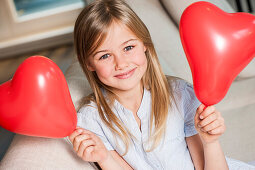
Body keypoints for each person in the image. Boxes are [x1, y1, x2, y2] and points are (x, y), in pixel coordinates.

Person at [68, 0, 255, 169]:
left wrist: (210, 143)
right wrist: (104, 158)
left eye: (128, 48)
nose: (121, 64)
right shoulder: (92, 120)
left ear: (145, 44)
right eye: (105, 56)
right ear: (88, 63)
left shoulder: (180, 94)